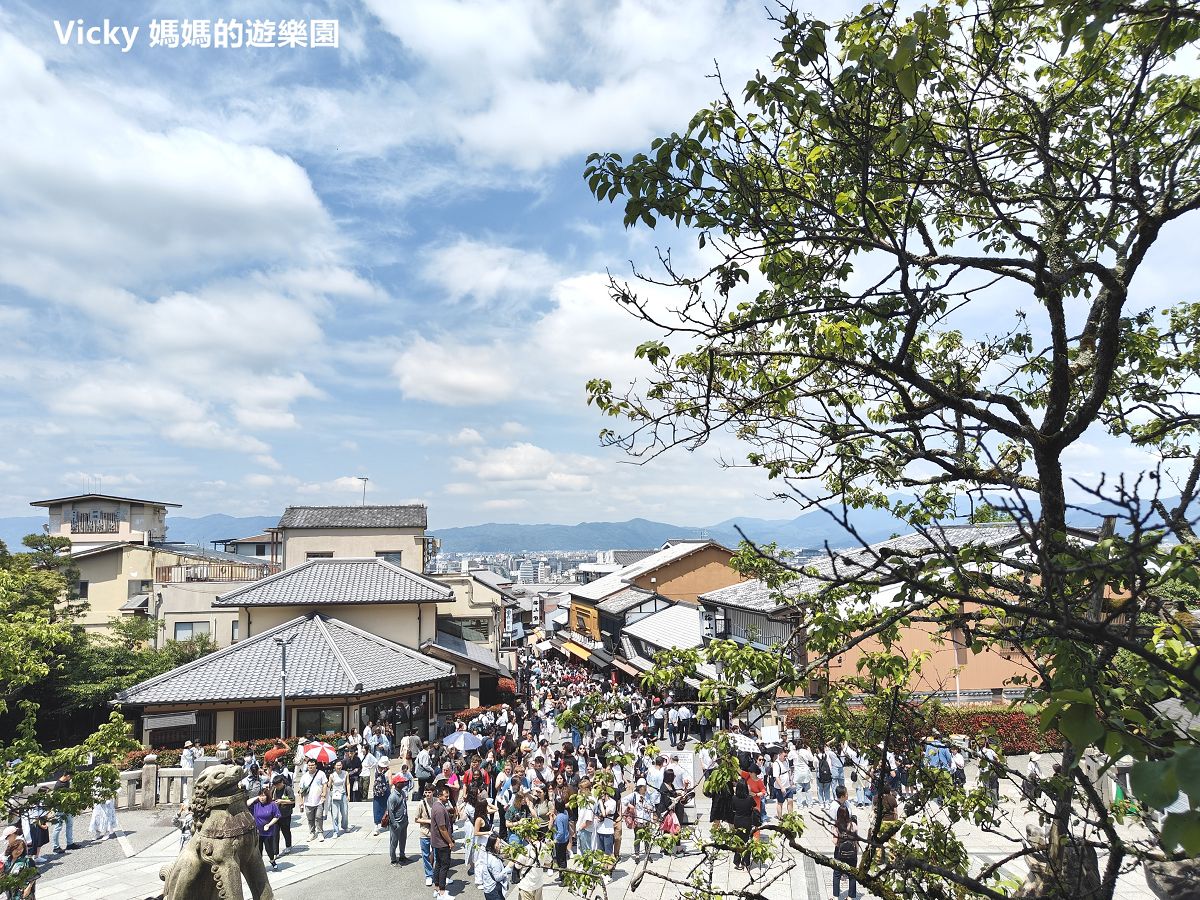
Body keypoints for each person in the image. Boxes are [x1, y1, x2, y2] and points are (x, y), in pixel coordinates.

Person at [430, 785, 454, 900]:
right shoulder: (439, 809)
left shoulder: (436, 805)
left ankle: (437, 888)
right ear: (440, 796)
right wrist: (450, 841)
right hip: (442, 842)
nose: (447, 798)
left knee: (438, 865)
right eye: (446, 796)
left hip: (437, 842)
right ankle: (442, 892)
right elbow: (442, 828)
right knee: (444, 866)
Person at [249, 785, 282, 870]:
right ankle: (259, 866)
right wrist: (257, 796)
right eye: (260, 796)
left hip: (268, 832)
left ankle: (272, 860)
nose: (262, 798)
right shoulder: (256, 804)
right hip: (257, 832)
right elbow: (247, 803)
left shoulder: (272, 805)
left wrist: (269, 825)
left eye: (263, 795)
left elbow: (276, 816)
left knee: (269, 849)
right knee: (258, 850)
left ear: (267, 796)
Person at [298, 758, 328, 843]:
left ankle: (320, 832)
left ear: (316, 765)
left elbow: (325, 784)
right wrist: (301, 802)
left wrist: (324, 793)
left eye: (312, 765)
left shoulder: (321, 774)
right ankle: (312, 832)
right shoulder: (304, 776)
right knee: (310, 818)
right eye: (309, 765)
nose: (310, 767)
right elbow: (301, 789)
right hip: (308, 801)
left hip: (319, 800)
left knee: (319, 817)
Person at [833, 808, 859, 900]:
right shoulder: (853, 825)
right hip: (852, 853)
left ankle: (836, 896)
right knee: (852, 875)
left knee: (837, 874)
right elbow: (856, 840)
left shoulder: (837, 826)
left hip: (840, 853)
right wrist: (856, 850)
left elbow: (835, 841)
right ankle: (850, 896)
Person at [731, 779, 756, 870]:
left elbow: (733, 809)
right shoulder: (749, 798)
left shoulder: (734, 798)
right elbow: (754, 805)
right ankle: (745, 862)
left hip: (737, 820)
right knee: (747, 842)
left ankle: (737, 862)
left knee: (738, 841)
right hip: (747, 821)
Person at [477, 834, 512, 900]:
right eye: (498, 843)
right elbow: (498, 878)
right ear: (493, 845)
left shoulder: (487, 854)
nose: (500, 845)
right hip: (494, 891)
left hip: (488, 888)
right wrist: (508, 867)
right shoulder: (494, 860)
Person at [415, 784, 436, 886]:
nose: (428, 794)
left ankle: (436, 874)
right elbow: (416, 819)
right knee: (426, 855)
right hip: (424, 832)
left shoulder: (437, 802)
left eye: (429, 792)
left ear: (433, 792)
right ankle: (428, 875)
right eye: (426, 792)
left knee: (437, 854)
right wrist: (428, 821)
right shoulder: (421, 803)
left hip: (435, 833)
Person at [387, 774, 410, 865]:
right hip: (396, 823)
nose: (404, 782)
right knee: (394, 842)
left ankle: (402, 855)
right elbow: (390, 812)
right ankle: (393, 859)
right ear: (396, 784)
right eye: (401, 782)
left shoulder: (403, 793)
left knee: (403, 840)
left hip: (404, 821)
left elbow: (405, 806)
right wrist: (394, 823)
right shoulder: (393, 797)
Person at [271, 774, 295, 854]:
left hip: (285, 814)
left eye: (278, 784)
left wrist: (281, 801)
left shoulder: (287, 789)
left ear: (282, 782)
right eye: (275, 785)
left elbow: (292, 800)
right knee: (275, 833)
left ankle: (288, 846)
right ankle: (275, 852)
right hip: (275, 815)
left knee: (286, 830)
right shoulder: (273, 789)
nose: (277, 786)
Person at [327, 759, 350, 837]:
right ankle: (335, 830)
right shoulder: (332, 775)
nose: (339, 767)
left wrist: (348, 795)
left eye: (340, 765)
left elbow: (347, 784)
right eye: (337, 765)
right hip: (335, 795)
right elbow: (329, 786)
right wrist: (330, 780)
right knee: (335, 814)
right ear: (334, 766)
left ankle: (345, 826)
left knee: (345, 812)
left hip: (343, 794)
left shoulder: (345, 773)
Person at [370, 758, 391, 836]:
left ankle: (376, 826)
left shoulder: (376, 769)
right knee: (387, 808)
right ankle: (387, 823)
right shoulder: (388, 771)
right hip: (385, 792)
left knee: (376, 808)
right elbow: (391, 782)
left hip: (377, 792)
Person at [593, 788, 617, 857]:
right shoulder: (599, 801)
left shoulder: (612, 802)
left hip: (608, 831)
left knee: (608, 853)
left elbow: (604, 814)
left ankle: (609, 866)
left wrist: (600, 802)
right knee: (600, 852)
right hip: (599, 829)